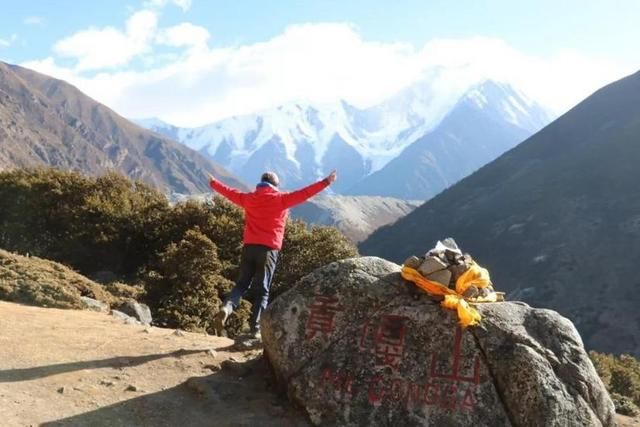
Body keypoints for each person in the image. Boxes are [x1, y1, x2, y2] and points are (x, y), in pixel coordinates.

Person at [209, 170, 337, 339]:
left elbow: (230, 193)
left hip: (249, 248)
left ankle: (227, 307)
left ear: (261, 183)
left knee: (242, 284)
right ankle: (254, 329)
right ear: (276, 185)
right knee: (262, 290)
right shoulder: (281, 199)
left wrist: (214, 183)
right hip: (268, 250)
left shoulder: (249, 198)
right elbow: (305, 193)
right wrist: (326, 182)